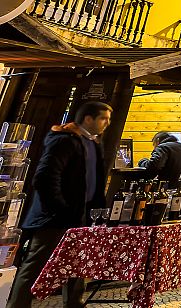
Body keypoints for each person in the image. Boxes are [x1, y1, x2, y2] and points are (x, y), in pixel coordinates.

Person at [8, 102, 111, 308]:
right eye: (103, 118)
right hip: (55, 216)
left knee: (78, 263)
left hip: (81, 215)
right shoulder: (64, 141)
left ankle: (74, 303)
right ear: (88, 119)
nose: (107, 123)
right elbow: (45, 178)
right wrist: (60, 208)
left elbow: (93, 179)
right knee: (37, 264)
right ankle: (18, 305)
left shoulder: (93, 143)